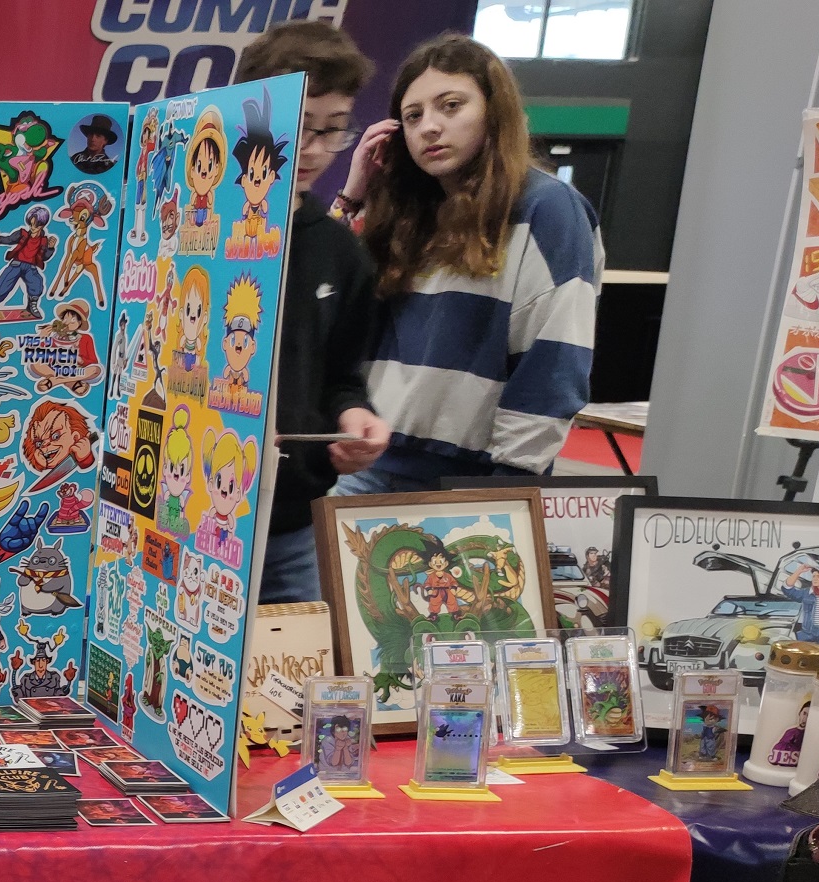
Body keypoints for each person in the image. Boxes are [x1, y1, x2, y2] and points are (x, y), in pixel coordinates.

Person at [333, 33, 601, 494]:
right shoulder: (405, 212)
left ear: (493, 111)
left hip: (475, 479)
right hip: (372, 464)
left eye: (451, 106)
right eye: (413, 116)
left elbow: (554, 356)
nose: (429, 127)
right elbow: (323, 309)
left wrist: (510, 483)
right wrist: (353, 195)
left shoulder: (547, 207)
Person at [234, 20, 392, 604]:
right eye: (299, 128)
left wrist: (355, 416)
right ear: (250, 118)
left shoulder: (340, 251)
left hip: (292, 528)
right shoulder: (184, 231)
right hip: (186, 519)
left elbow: (343, 376)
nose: (315, 150)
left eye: (332, 130)